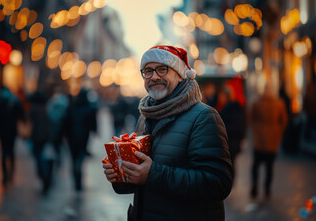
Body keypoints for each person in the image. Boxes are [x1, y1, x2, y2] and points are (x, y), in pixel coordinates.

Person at [102, 45, 233, 221]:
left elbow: (217, 184)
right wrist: (121, 176)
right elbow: (142, 181)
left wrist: (153, 174)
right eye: (147, 71)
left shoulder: (204, 116)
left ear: (179, 75)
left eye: (162, 69)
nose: (154, 76)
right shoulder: (145, 115)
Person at [249, 81, 288, 199]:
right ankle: (267, 190)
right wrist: (278, 131)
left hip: (259, 140)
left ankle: (255, 187)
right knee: (269, 167)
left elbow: (250, 119)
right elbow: (284, 120)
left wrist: (256, 130)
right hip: (272, 141)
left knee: (256, 165)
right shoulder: (279, 103)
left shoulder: (257, 102)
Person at [64, 88, 97, 192]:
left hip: (72, 139)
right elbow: (93, 124)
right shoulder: (89, 109)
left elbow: (65, 124)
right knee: (80, 160)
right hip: (83, 139)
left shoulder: (71, 108)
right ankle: (79, 182)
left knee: (74, 160)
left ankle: (76, 181)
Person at [0, 87, 24, 187]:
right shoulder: (14, 101)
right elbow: (21, 115)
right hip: (12, 131)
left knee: (4, 152)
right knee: (11, 152)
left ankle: (5, 175)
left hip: (2, 132)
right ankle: (11, 173)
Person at [219, 85, 246, 164]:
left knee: (230, 165)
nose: (220, 97)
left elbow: (236, 126)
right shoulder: (228, 106)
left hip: (231, 142)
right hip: (232, 142)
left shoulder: (232, 107)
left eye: (221, 95)